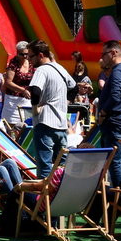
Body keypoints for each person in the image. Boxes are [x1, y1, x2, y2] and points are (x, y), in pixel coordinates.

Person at [27, 39, 75, 179]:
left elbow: (35, 90)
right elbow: (74, 87)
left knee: (45, 167)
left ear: (40, 55)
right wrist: (65, 102)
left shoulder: (41, 70)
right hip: (61, 125)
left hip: (45, 122)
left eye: (31, 56)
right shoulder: (60, 68)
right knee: (61, 167)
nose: (29, 60)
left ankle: (44, 199)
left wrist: (35, 108)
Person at [98, 40, 121, 189]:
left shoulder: (119, 70)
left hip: (115, 121)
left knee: (114, 161)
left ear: (113, 53)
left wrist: (103, 112)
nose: (102, 58)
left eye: (104, 54)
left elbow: (115, 95)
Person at [3, 41, 35, 125]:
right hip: (12, 100)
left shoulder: (31, 62)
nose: (25, 56)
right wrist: (23, 90)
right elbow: (8, 82)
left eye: (26, 54)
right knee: (11, 125)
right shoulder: (13, 63)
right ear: (17, 53)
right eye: (22, 54)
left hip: (27, 100)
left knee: (27, 124)